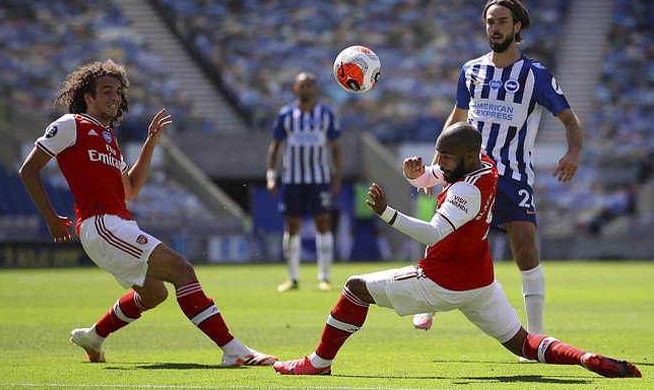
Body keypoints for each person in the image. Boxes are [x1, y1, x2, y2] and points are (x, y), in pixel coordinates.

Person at [272, 123, 640, 378]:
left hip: (441, 281)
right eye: (439, 155)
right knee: (523, 344)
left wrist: (387, 213)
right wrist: (417, 176)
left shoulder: (465, 192)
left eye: (446, 157)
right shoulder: (486, 166)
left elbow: (432, 234)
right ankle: (586, 358)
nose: (439, 162)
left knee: (355, 287)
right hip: (480, 283)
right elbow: (440, 174)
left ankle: (319, 361)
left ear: (467, 157)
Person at [18, 59, 277, 366]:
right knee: (183, 270)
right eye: (106, 91)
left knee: (155, 294)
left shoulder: (108, 137)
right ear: (88, 97)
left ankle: (93, 336)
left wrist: (150, 144)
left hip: (116, 223)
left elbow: (130, 190)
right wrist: (50, 216)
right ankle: (234, 350)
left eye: (118, 91)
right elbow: (28, 169)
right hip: (101, 224)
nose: (115, 97)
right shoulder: (71, 124)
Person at [412, 0, 583, 337]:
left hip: (512, 174)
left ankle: (534, 336)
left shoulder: (536, 75)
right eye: (490, 21)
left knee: (525, 247)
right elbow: (456, 120)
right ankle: (426, 304)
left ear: (517, 27)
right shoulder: (471, 70)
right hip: (469, 174)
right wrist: (436, 167)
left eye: (502, 21)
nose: (495, 28)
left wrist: (574, 152)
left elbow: (569, 119)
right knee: (443, 236)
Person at [266, 72, 342, 292]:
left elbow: (336, 149)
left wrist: (336, 178)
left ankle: (324, 277)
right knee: (292, 226)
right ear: (295, 89)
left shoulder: (326, 114)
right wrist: (271, 175)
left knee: (323, 224)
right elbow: (275, 147)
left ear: (315, 89)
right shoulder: (286, 115)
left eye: (309, 84)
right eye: (302, 85)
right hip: (293, 180)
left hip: (319, 179)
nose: (305, 88)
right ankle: (293, 277)